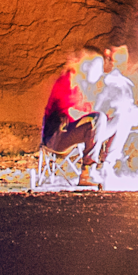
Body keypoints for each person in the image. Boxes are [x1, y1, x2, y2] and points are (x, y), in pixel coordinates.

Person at [41, 51, 98, 184]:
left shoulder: (79, 85)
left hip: (66, 133)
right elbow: (69, 113)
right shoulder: (66, 82)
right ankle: (88, 170)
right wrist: (90, 111)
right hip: (56, 138)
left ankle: (102, 167)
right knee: (96, 122)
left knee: (105, 122)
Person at [85, 51, 138, 184]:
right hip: (83, 131)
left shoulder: (115, 82)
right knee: (110, 119)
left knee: (124, 119)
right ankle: (94, 167)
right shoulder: (90, 83)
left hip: (98, 128)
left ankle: (108, 164)